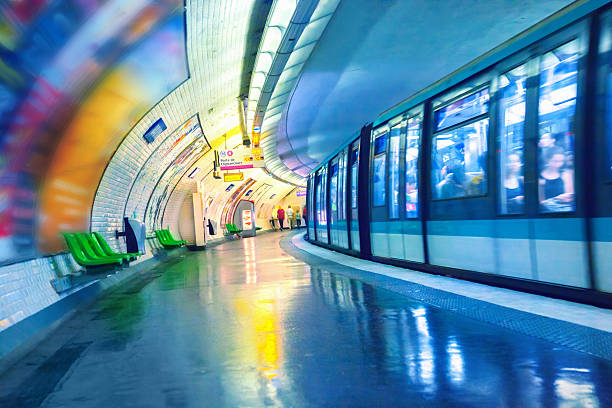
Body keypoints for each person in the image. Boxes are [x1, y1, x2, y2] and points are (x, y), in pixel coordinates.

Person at [539, 146, 573, 210]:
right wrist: (556, 199)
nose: (558, 164)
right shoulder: (540, 178)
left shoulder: (565, 175)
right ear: (547, 160)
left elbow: (570, 197)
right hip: (546, 213)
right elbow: (540, 203)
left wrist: (566, 198)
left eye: (561, 161)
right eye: (555, 161)